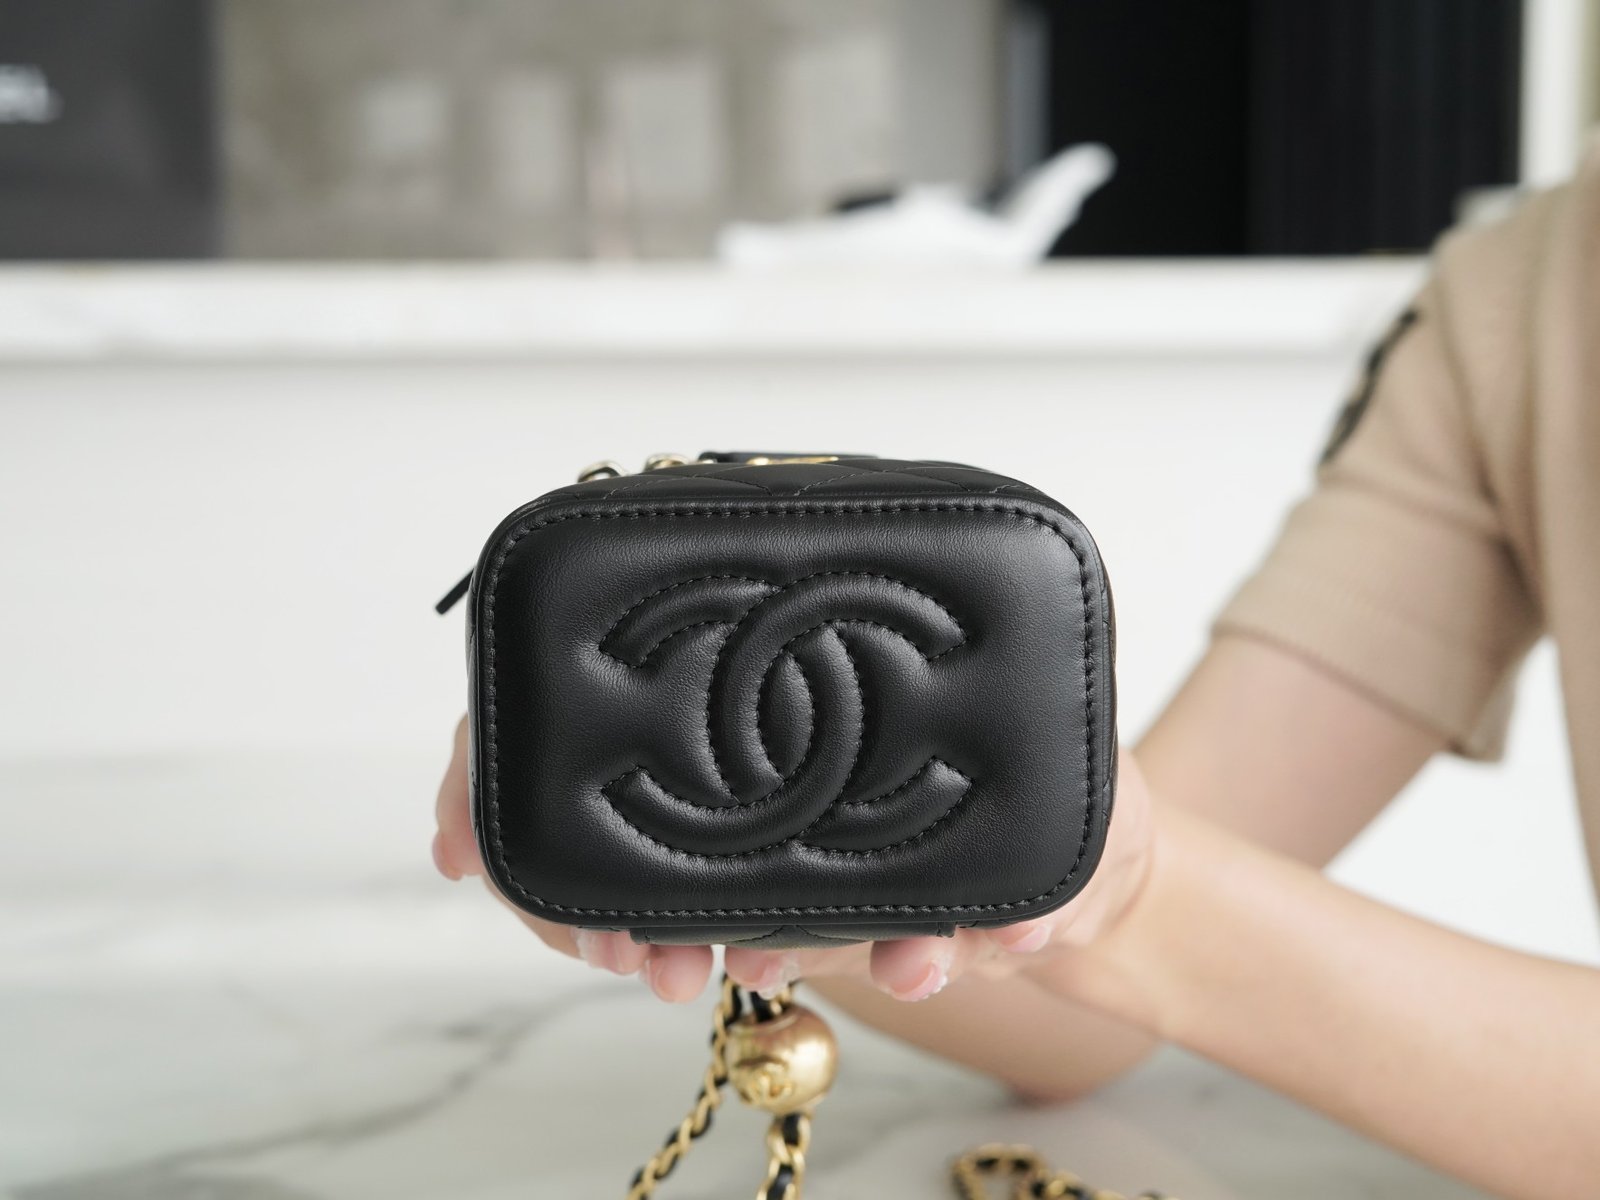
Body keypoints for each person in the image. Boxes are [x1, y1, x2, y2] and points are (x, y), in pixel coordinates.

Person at [433, 145, 1600, 1199]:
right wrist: (794, 879)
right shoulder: (1520, 288)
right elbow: (1081, 998)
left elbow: (1139, 901)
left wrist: (1131, 892)